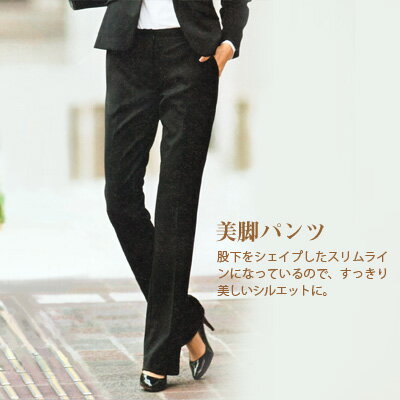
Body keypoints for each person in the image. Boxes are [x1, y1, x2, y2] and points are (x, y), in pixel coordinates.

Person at [69, 0, 250, 392]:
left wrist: (229, 41)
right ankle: (185, 320)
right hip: (128, 51)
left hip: (192, 53)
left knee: (176, 203)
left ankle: (158, 357)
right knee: (120, 199)